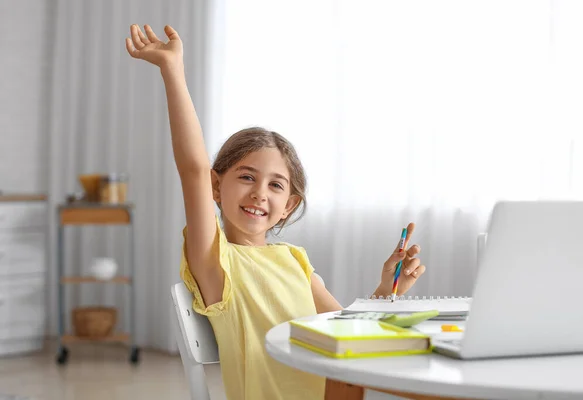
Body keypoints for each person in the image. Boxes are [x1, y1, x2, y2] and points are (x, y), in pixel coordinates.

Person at [126, 23, 427, 400]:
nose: (259, 194)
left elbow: (348, 329)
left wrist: (386, 288)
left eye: (275, 185)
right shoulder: (216, 261)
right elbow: (192, 169)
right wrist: (173, 71)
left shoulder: (294, 260)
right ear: (216, 187)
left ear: (289, 206)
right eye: (247, 177)